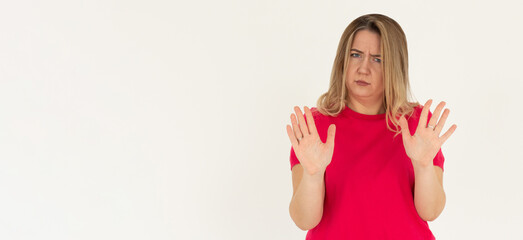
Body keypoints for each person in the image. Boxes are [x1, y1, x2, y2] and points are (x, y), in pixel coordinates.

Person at [285, 13, 457, 239]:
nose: (363, 68)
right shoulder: (315, 128)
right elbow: (304, 220)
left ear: (395, 67)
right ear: (343, 60)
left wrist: (423, 165)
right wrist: (313, 174)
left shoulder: (415, 124)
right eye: (356, 55)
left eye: (378, 59)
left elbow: (431, 211)